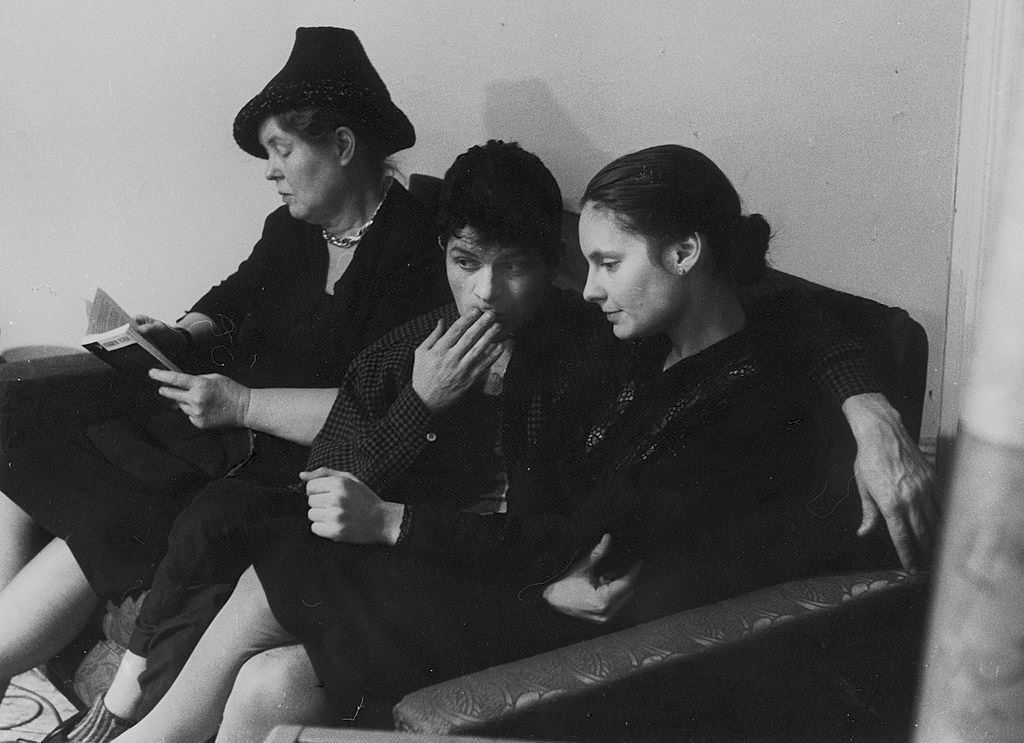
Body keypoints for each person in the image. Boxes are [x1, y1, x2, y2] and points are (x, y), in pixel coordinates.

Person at [108, 142, 933, 743]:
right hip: (529, 578)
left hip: (572, 617)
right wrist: (869, 405)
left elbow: (587, 531)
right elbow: (793, 311)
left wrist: (868, 407)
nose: (593, 285)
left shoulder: (686, 375)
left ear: (686, 253)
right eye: (589, 264)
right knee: (270, 678)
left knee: (280, 571)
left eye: (605, 263)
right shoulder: (644, 336)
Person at [0, 25, 449, 737]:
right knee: (25, 420)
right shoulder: (294, 230)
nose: (270, 170)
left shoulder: (420, 248)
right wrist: (174, 332)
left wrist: (240, 401)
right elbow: (232, 298)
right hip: (220, 434)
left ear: (340, 146)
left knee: (124, 508)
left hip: (291, 463)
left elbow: (384, 409)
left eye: (281, 150)